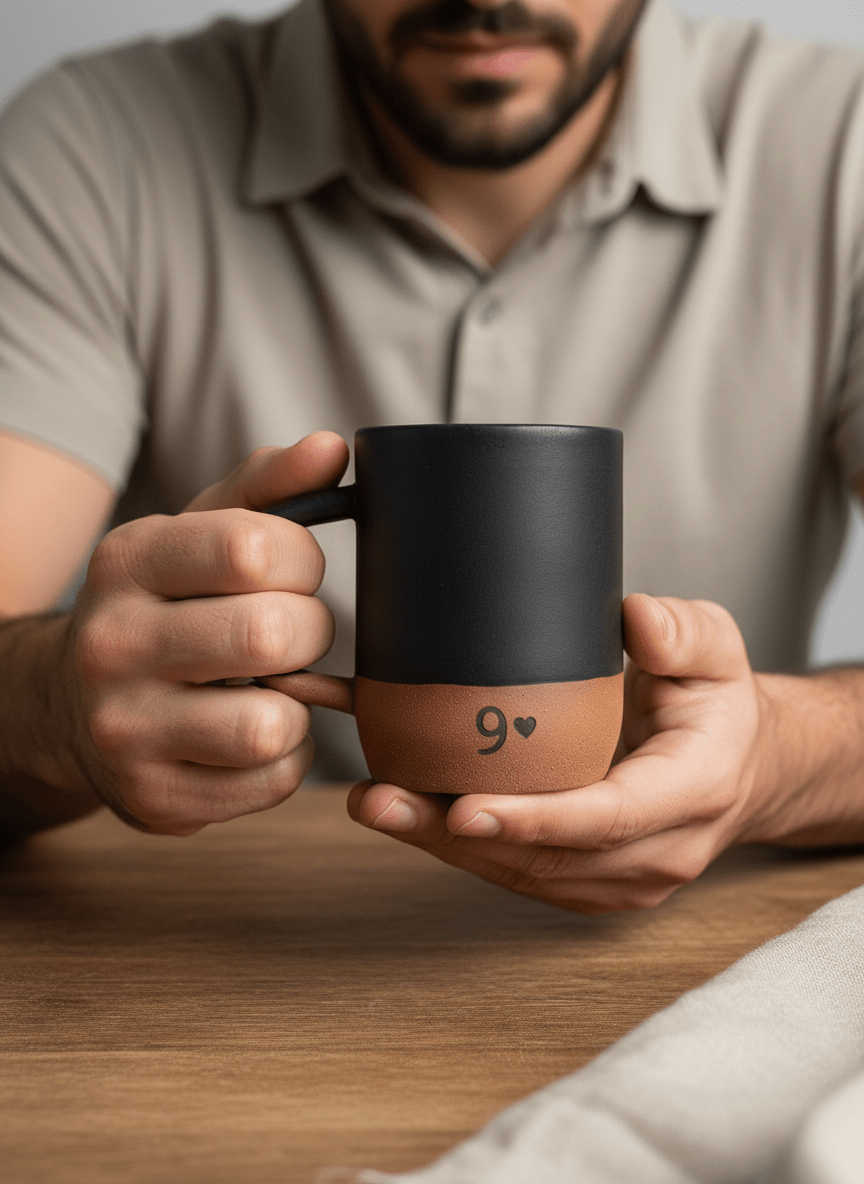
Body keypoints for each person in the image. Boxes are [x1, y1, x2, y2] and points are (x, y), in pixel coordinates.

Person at [1, 0, 863, 912]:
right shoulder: (98, 146)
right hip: (248, 944)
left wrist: (780, 754)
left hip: (712, 954)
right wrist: (53, 708)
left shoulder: (840, 145)